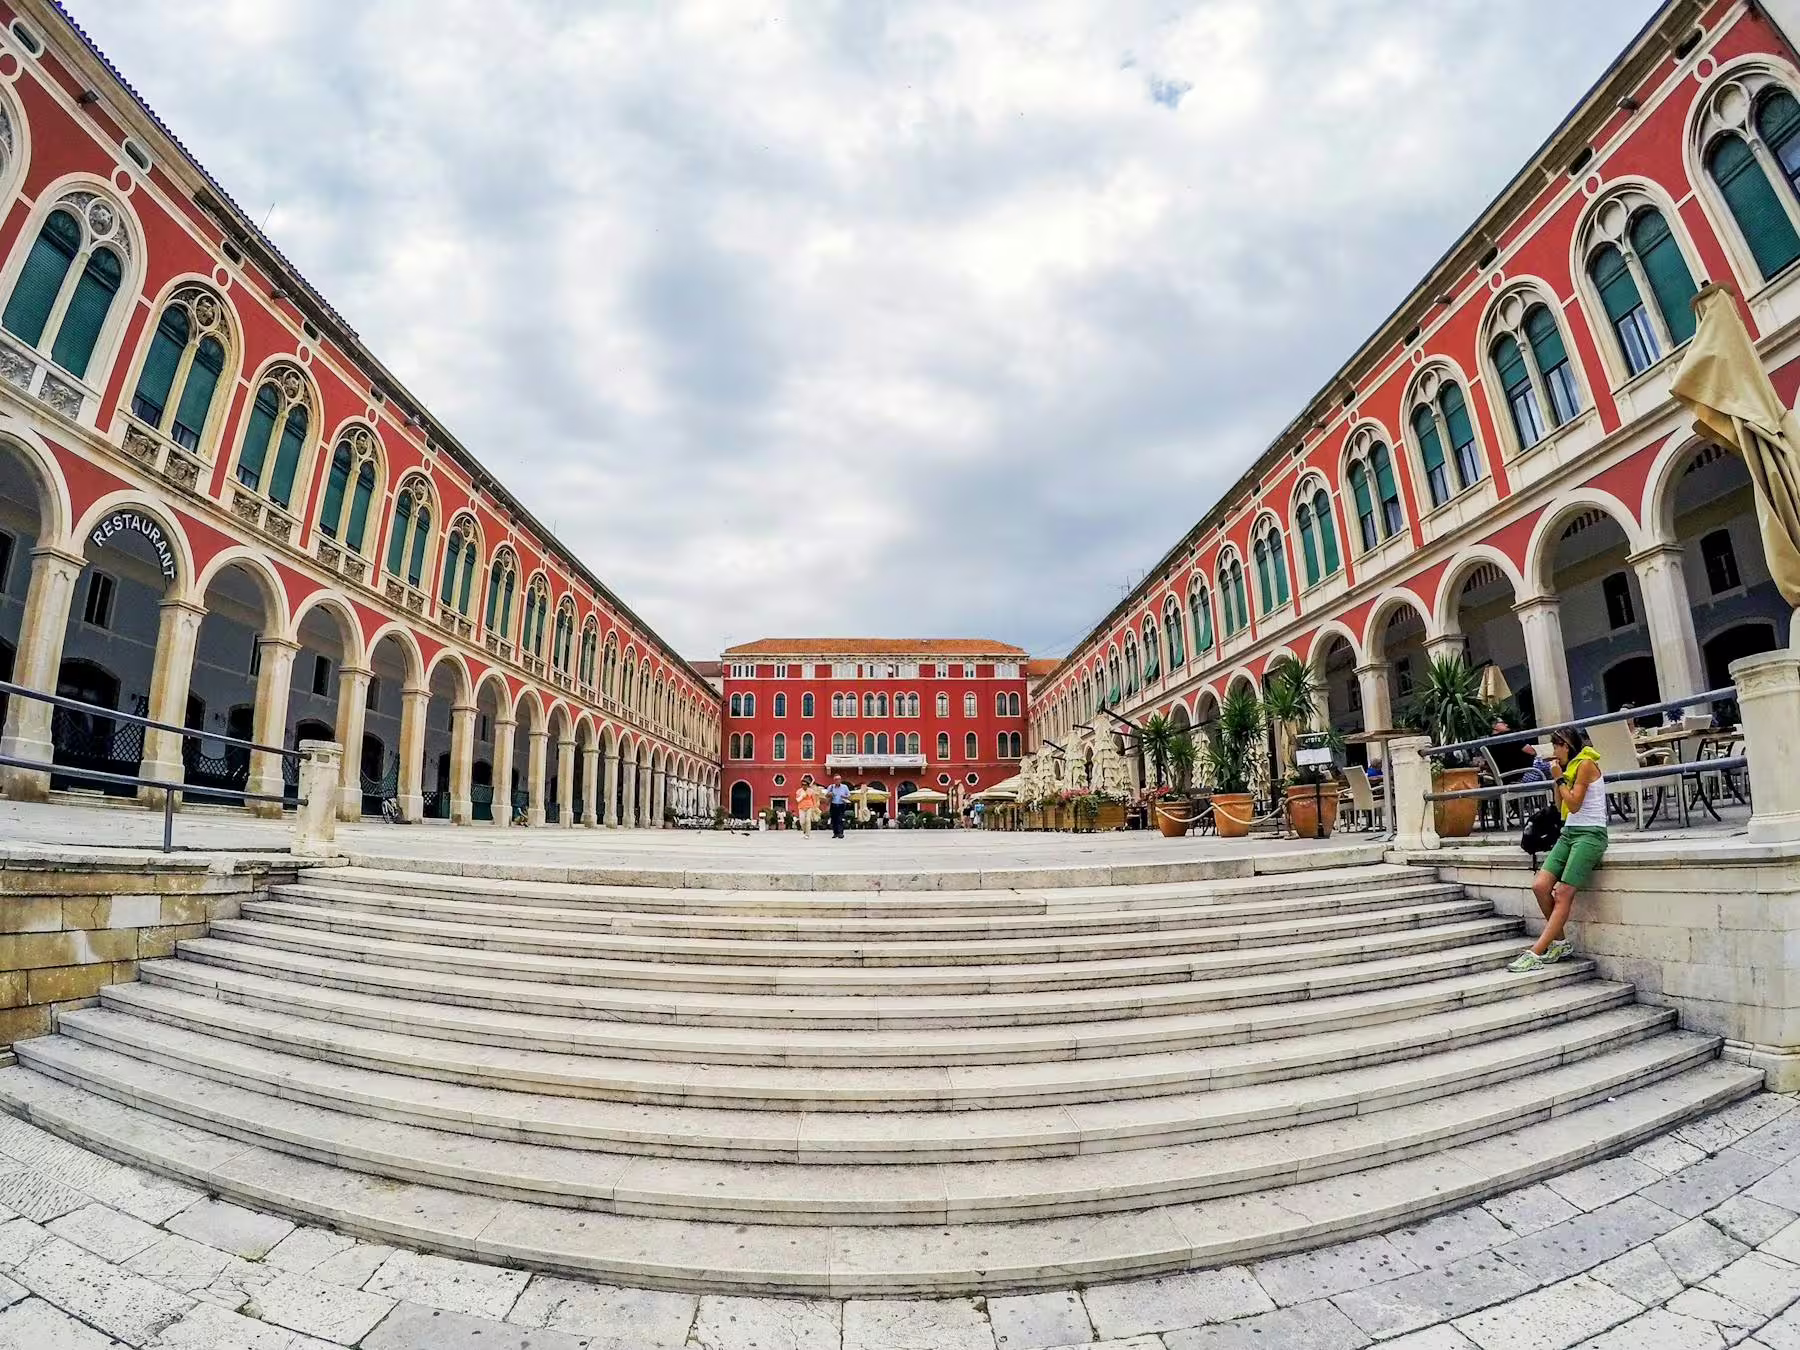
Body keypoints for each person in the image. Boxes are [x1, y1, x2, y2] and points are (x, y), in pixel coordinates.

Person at [1510, 727, 1606, 972]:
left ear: (1567, 745)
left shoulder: (1585, 764)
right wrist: (1558, 777)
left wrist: (1560, 777)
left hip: (1590, 834)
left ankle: (1536, 951)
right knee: (1540, 885)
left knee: (1562, 893)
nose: (1554, 752)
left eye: (1556, 747)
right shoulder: (1569, 767)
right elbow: (1559, 804)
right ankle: (1561, 943)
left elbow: (1574, 805)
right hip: (1569, 833)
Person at [826, 775, 851, 840]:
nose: (838, 780)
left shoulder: (844, 787)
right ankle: (835, 833)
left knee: (840, 819)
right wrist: (830, 794)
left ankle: (840, 833)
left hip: (841, 804)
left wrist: (844, 796)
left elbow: (849, 795)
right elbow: (826, 795)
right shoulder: (831, 787)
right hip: (833, 804)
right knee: (834, 819)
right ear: (834, 780)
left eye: (839, 779)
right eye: (836, 779)